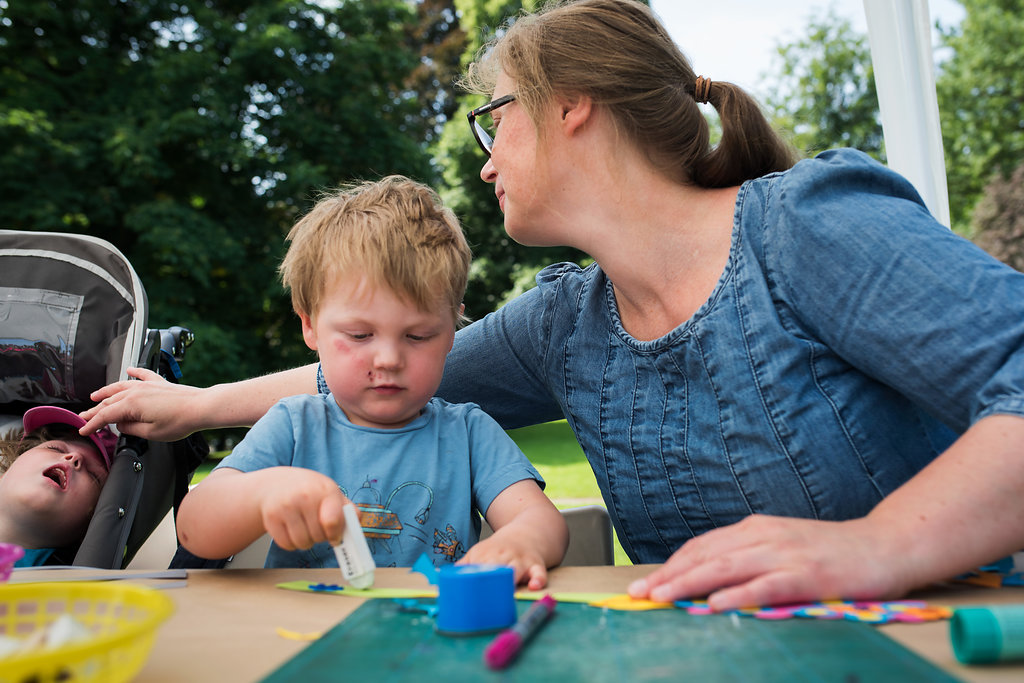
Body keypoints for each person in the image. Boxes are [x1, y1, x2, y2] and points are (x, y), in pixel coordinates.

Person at [79, 0, 1024, 610]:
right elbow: (364, 371)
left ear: (571, 104)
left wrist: (874, 547)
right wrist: (198, 404)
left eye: (494, 119)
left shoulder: (806, 224)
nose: (486, 160)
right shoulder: (563, 324)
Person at [174, 176, 567, 589]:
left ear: (451, 333)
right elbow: (194, 530)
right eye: (360, 335)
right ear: (310, 326)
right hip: (307, 625)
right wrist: (263, 493)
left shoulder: (469, 433)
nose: (389, 359)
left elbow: (542, 521)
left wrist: (522, 541)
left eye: (418, 336)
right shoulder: (293, 424)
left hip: (427, 625)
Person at [0, 407, 117, 567]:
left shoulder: (59, 580)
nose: (74, 457)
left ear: (86, 530)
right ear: (6, 472)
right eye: (55, 448)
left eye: (93, 475)